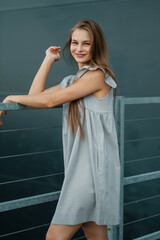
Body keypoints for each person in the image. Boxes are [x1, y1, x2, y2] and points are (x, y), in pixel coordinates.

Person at [0, 19, 121, 240]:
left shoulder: (98, 75)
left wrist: (9, 97)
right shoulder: (72, 81)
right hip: (84, 170)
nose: (79, 48)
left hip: (92, 172)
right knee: (96, 235)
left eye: (86, 43)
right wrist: (48, 60)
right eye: (75, 43)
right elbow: (35, 96)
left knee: (54, 237)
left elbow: (48, 101)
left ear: (97, 46)